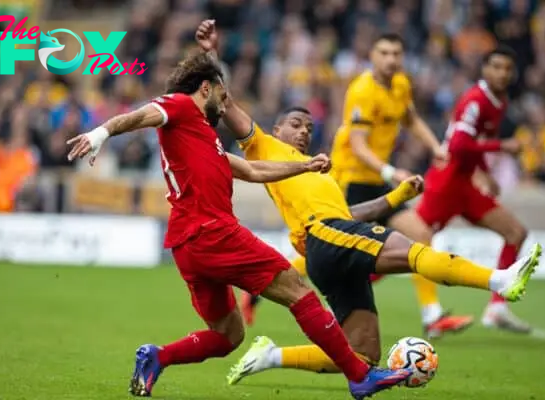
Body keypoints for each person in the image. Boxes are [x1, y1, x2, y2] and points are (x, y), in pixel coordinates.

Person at [192, 20, 542, 385]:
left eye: (309, 127)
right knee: (411, 248)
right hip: (324, 237)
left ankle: (271, 356)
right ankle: (498, 281)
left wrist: (397, 196)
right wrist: (210, 54)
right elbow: (225, 102)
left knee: (362, 352)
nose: (304, 131)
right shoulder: (264, 145)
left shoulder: (320, 174)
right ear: (277, 130)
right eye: (295, 124)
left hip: (329, 244)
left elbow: (352, 214)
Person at [66, 50, 411, 400]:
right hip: (212, 231)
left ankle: (157, 356)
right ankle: (359, 376)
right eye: (222, 94)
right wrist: (102, 133)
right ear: (206, 88)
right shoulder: (182, 107)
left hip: (188, 246)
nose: (225, 101)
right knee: (297, 290)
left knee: (229, 335)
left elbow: (252, 170)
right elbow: (143, 114)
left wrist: (304, 167)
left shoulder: (202, 137)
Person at [240, 33, 474, 339]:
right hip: (351, 180)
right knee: (327, 254)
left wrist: (435, 146)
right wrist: (392, 171)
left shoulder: (401, 85)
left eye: (396, 53)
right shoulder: (362, 91)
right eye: (384, 52)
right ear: (373, 57)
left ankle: (432, 316)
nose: (391, 59)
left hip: (377, 181)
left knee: (419, 234)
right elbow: (358, 145)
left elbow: (411, 118)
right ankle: (261, 285)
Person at [415, 46, 533, 333]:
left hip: (466, 185)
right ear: (485, 69)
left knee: (516, 233)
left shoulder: (499, 101)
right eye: (496, 67)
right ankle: (351, 289)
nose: (502, 73)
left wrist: (485, 173)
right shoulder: (475, 100)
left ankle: (497, 309)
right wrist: (501, 147)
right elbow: (458, 146)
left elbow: (473, 143)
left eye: (507, 68)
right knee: (410, 246)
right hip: (445, 184)